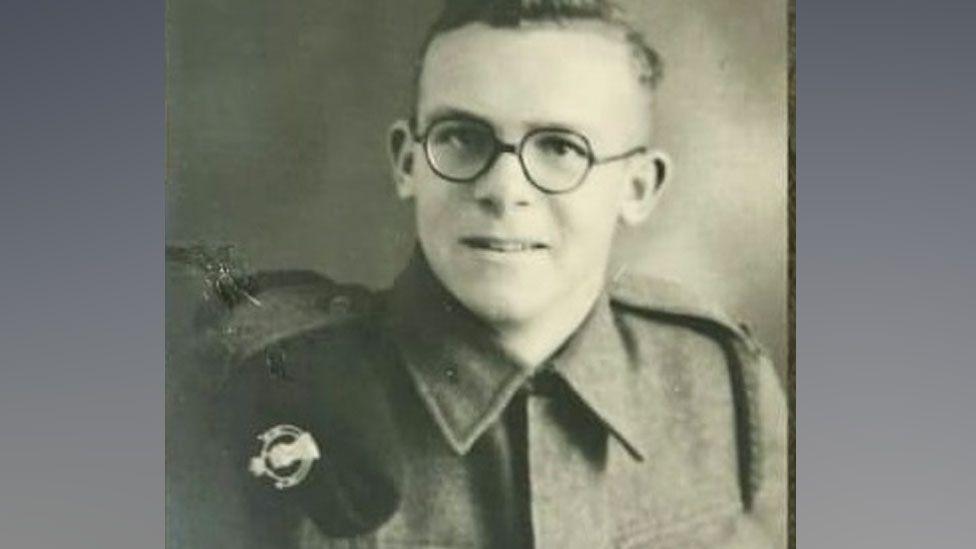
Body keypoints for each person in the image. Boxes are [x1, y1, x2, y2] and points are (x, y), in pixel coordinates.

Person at [181, 0, 787, 547]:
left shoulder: (721, 383)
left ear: (638, 187)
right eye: (462, 138)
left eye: (559, 147)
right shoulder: (257, 389)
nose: (502, 190)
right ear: (407, 163)